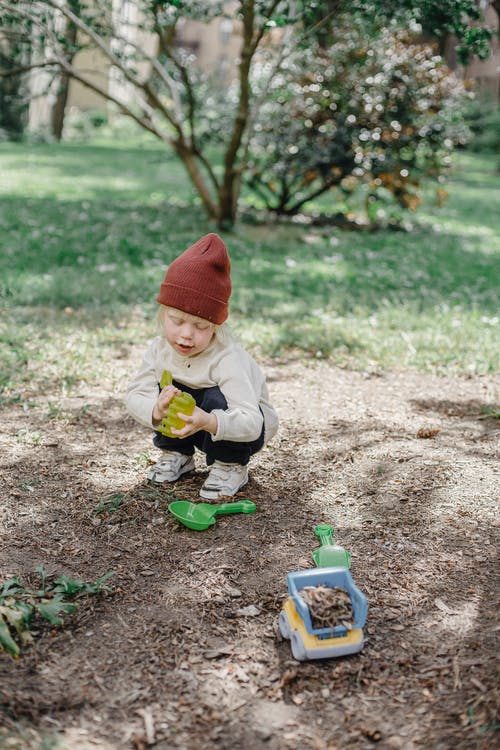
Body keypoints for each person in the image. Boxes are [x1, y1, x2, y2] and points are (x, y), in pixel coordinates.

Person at [126, 232, 279, 500]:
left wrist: (208, 421)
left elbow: (251, 422)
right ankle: (178, 454)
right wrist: (156, 408)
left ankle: (230, 465)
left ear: (216, 327)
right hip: (194, 422)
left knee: (212, 395)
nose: (186, 335)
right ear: (162, 315)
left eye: (200, 326)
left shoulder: (226, 358)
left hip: (241, 428)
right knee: (166, 391)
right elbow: (135, 394)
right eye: (177, 321)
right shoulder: (159, 349)